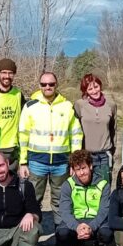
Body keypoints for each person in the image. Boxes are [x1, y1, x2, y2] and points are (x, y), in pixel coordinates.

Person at [18, 71, 83, 231]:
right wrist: (23, 162)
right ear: (39, 85)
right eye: (44, 84)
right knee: (33, 200)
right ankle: (31, 240)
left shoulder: (67, 106)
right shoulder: (30, 106)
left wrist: (75, 162)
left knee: (60, 201)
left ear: (56, 85)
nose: (48, 87)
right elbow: (23, 134)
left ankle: (62, 239)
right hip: (36, 162)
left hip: (61, 163)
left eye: (51, 84)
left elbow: (76, 134)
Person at [56, 149, 113, 246]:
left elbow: (104, 210)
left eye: (84, 168)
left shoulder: (103, 184)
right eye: (78, 169)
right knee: (62, 232)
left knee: (107, 234)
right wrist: (77, 227)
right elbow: (65, 211)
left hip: (96, 219)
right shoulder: (68, 185)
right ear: (73, 170)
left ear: (90, 166)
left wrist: (90, 226)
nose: (81, 173)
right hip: (77, 219)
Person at [73, 73, 117, 185]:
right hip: (86, 156)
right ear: (85, 90)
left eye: (96, 87)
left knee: (104, 189)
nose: (94, 91)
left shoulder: (110, 105)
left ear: (100, 86)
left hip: (104, 155)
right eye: (90, 88)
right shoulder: (80, 105)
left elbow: (113, 130)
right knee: (86, 189)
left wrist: (113, 152)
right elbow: (75, 128)